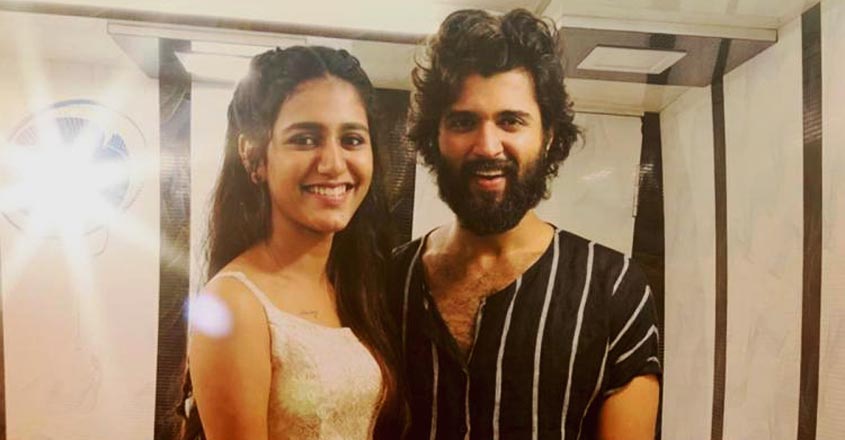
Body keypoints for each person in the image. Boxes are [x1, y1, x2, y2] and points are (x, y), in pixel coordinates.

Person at [390, 9, 661, 440]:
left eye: (510, 121)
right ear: (434, 138)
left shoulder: (613, 288)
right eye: (463, 122)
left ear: (548, 135)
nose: (487, 146)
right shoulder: (385, 282)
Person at [180, 46, 404, 440]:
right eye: (305, 139)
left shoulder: (350, 285)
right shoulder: (234, 304)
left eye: (352, 139)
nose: (333, 163)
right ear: (254, 156)